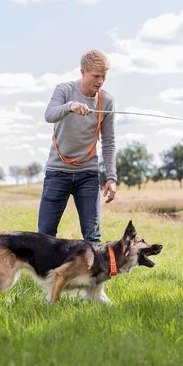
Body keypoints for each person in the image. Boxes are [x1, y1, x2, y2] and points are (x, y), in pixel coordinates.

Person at [38, 49, 117, 242]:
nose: (100, 81)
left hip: (88, 174)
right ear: (82, 72)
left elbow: (109, 142)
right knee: (45, 236)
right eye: (96, 76)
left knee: (93, 237)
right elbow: (49, 115)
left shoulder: (107, 101)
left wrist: (111, 177)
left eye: (104, 76)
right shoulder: (64, 90)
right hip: (57, 172)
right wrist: (70, 106)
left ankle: (91, 264)